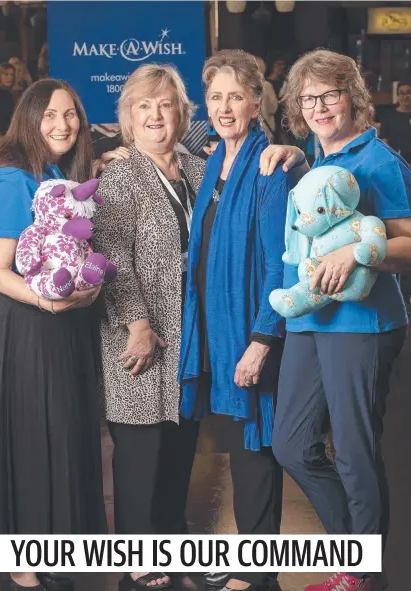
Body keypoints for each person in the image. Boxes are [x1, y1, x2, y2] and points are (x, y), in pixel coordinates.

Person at [260, 49, 411, 591]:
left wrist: (358, 255)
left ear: (353, 96)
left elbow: (408, 242)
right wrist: (294, 159)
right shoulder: (313, 159)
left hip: (362, 326)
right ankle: (356, 553)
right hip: (309, 323)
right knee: (291, 444)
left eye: (331, 94)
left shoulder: (379, 161)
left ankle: (359, 574)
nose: (321, 106)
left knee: (353, 452)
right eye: (309, 98)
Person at [0, 79, 107, 591]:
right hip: (28, 327)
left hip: (66, 325)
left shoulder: (55, 173)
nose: (63, 125)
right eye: (50, 115)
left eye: (71, 114)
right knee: (31, 438)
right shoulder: (11, 179)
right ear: (29, 119)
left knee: (65, 435)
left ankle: (53, 555)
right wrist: (49, 301)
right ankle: (21, 572)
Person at [178, 50, 293, 591]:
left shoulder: (269, 166)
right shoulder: (213, 165)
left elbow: (279, 264)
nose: (224, 107)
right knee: (244, 443)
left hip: (251, 332)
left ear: (256, 101)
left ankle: (259, 575)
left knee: (256, 445)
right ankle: (252, 562)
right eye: (215, 96)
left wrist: (260, 339)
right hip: (217, 333)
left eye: (235, 96)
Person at [93, 64, 206, 590]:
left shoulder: (201, 172)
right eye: (144, 106)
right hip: (140, 336)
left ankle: (171, 541)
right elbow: (111, 255)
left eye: (165, 104)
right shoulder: (120, 175)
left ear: (182, 113)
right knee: (140, 451)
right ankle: (139, 552)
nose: (156, 115)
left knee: (181, 447)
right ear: (128, 120)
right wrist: (137, 323)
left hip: (191, 339)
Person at [380, 80, 411, 165]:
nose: (405, 96)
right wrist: (395, 157)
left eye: (408, 92)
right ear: (397, 96)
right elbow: (384, 141)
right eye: (402, 93)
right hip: (396, 162)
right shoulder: (388, 116)